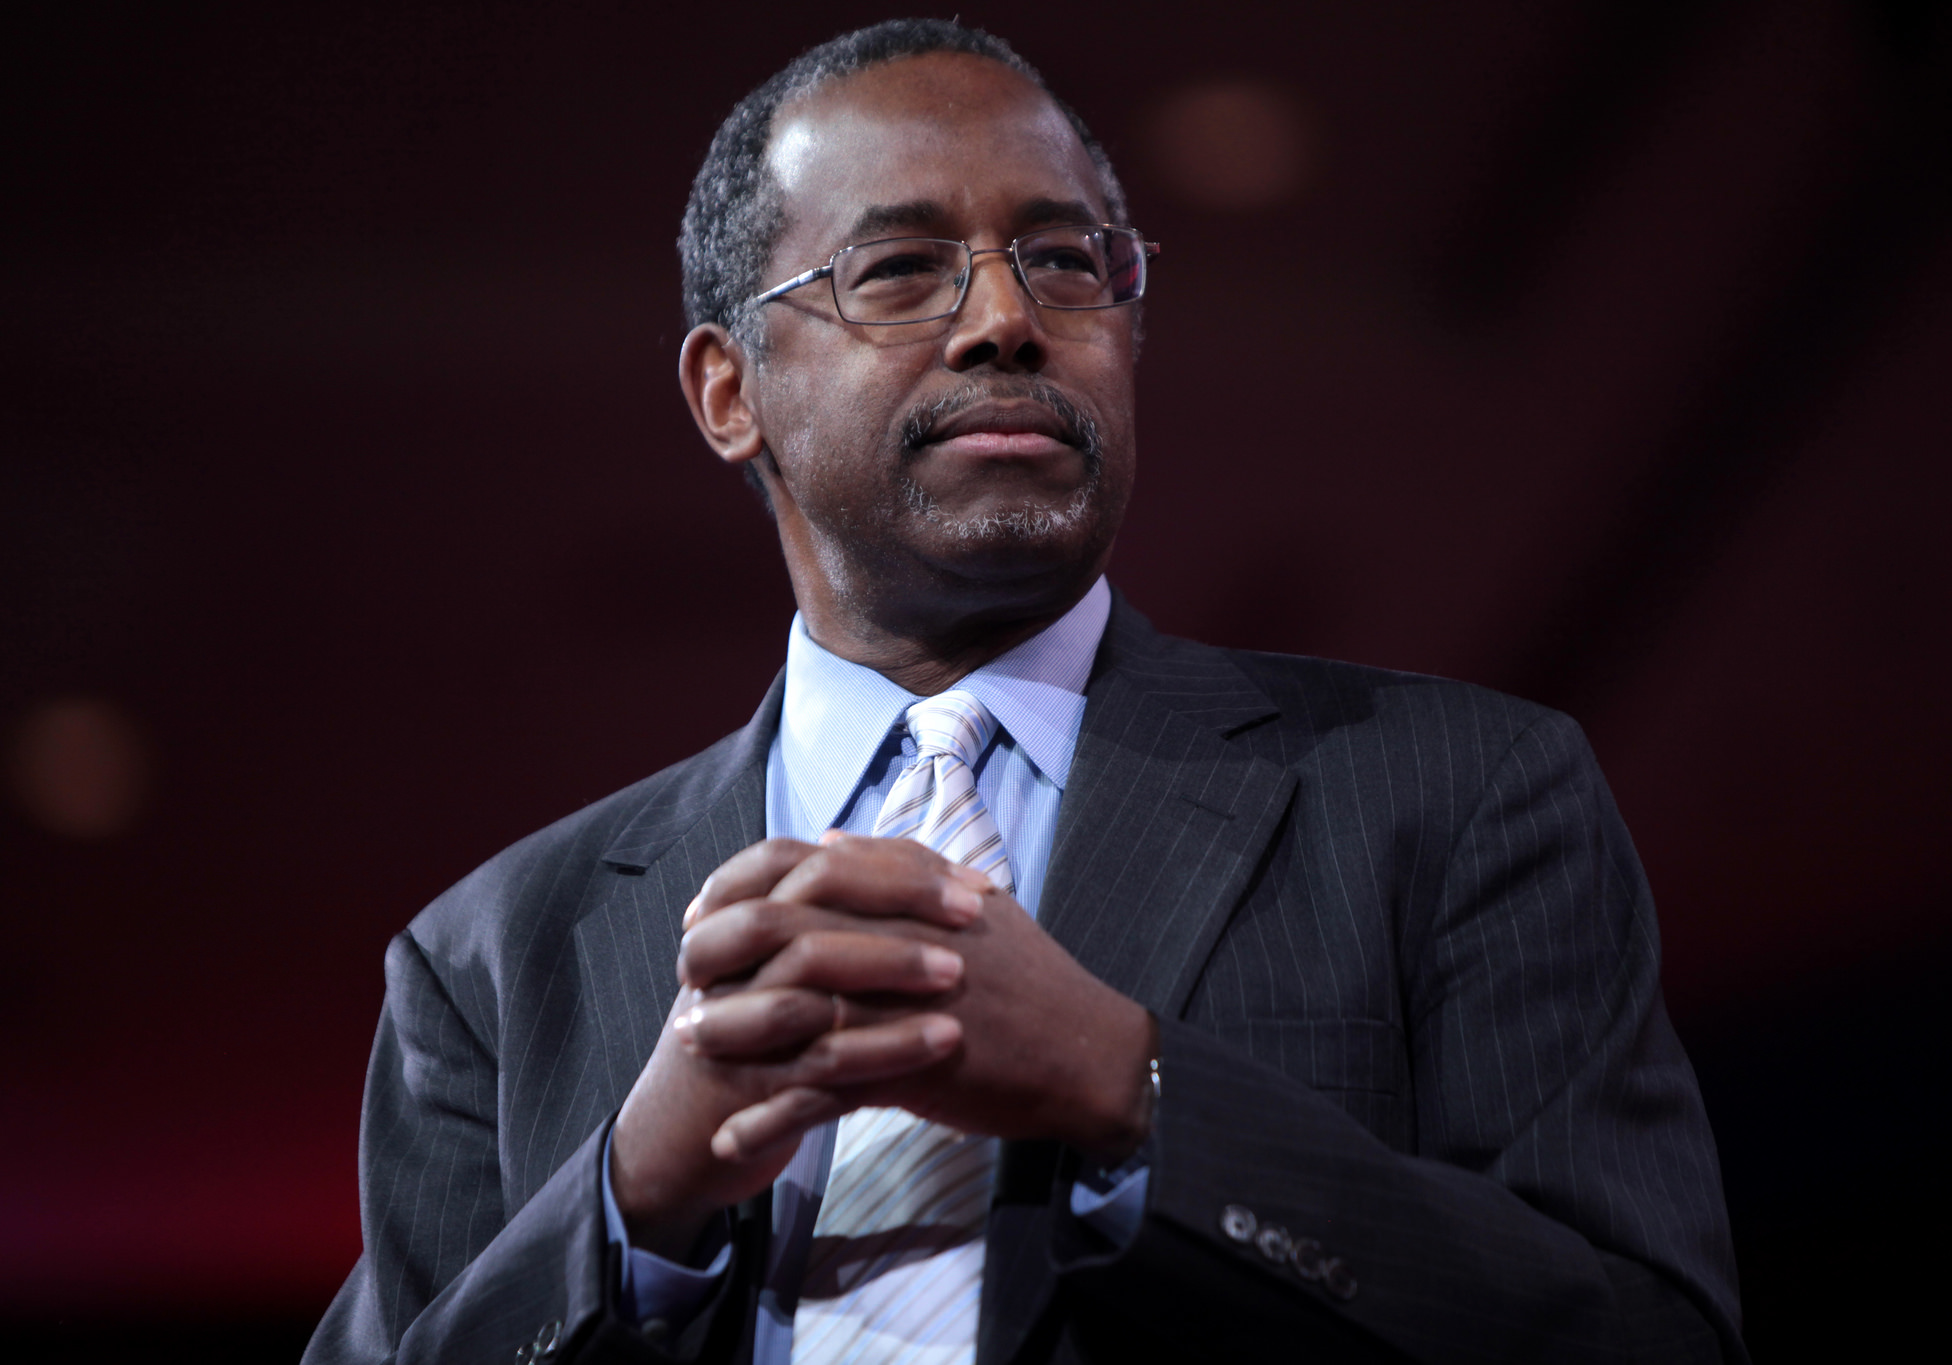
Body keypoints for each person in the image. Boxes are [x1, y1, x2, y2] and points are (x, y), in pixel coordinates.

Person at [304, 19, 1744, 1365]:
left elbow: (1649, 1333)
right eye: (901, 270)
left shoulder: (1459, 797)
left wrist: (1138, 1089)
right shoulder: (496, 960)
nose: (1006, 319)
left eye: (1066, 260)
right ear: (728, 390)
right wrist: (630, 1204)